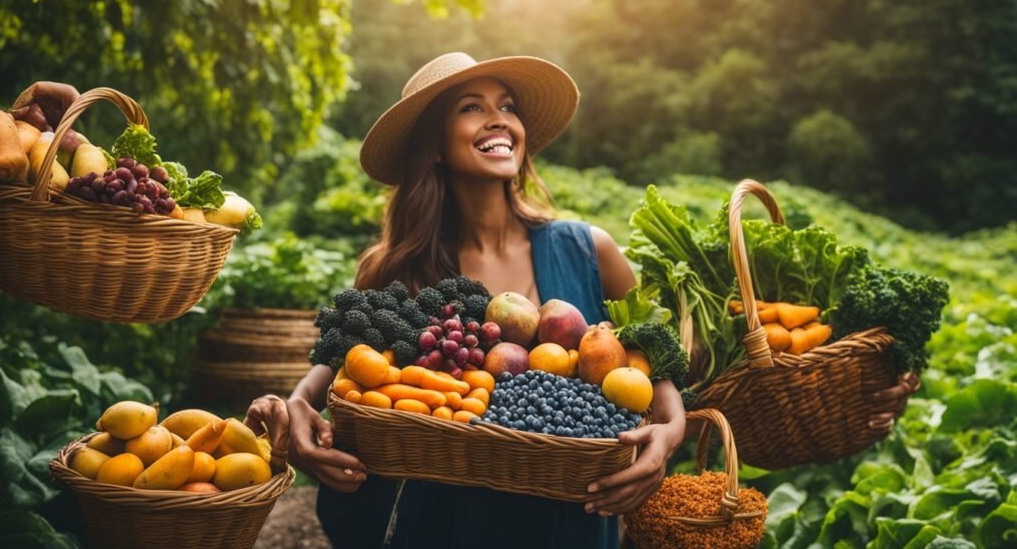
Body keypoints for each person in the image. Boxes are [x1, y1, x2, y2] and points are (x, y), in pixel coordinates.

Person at [244, 52, 920, 548]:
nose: (499, 118)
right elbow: (317, 385)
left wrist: (670, 430)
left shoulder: (585, 247)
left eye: (507, 104)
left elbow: (664, 364)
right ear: (435, 147)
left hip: (575, 521)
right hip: (445, 524)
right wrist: (291, 415)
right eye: (470, 106)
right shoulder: (398, 270)